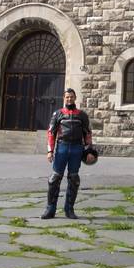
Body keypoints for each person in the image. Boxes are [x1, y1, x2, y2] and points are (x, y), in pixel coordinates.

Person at [41, 88, 92, 220]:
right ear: (64, 98)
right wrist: (50, 151)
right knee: (54, 178)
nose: (69, 99)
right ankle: (50, 209)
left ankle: (69, 209)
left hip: (77, 148)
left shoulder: (82, 115)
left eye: (71, 97)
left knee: (74, 179)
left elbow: (87, 134)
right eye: (67, 97)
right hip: (62, 147)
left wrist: (89, 151)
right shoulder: (58, 114)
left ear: (75, 98)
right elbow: (51, 133)